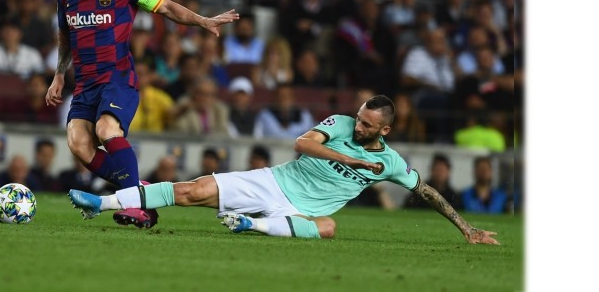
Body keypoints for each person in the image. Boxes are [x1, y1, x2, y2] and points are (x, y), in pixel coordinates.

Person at [68, 95, 499, 243]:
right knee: (192, 190)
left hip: (297, 212)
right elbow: (302, 143)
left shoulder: (391, 163)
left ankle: (248, 227)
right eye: (359, 117)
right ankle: (99, 202)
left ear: (384, 128)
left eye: (368, 123)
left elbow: (426, 191)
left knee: (328, 228)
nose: (359, 123)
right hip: (273, 182)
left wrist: (466, 229)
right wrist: (350, 158)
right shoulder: (340, 125)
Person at [45, 0, 240, 229]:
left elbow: (166, 7)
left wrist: (202, 20)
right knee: (78, 143)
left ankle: (132, 202)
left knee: (107, 129)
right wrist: (59, 74)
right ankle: (138, 188)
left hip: (117, 79)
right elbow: (64, 36)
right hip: (85, 83)